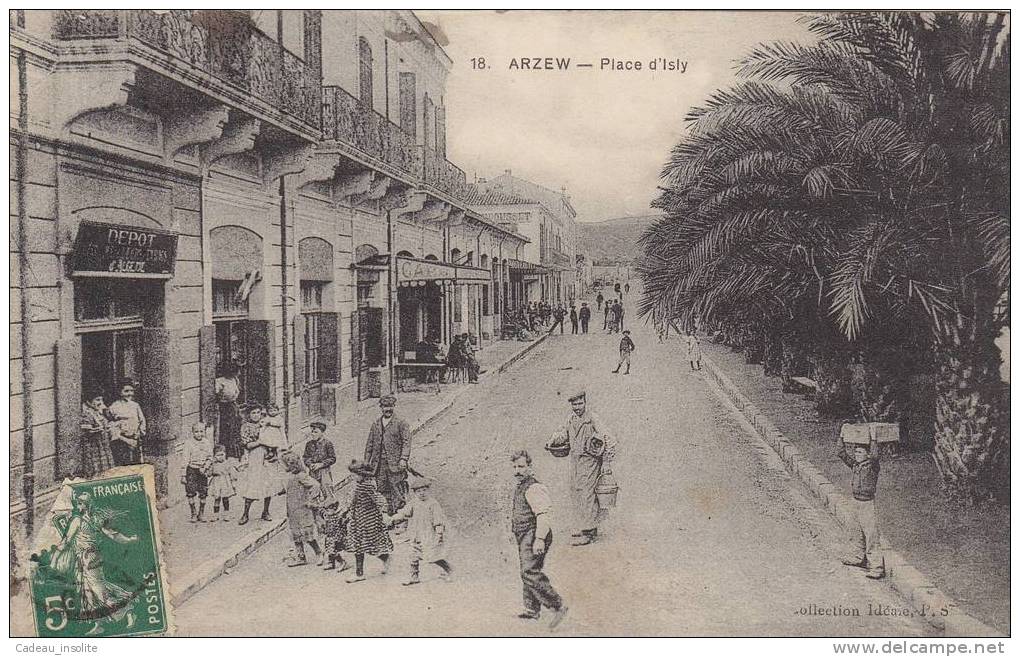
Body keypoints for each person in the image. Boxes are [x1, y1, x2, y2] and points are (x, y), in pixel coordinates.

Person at [44, 491, 138, 635]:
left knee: (99, 592)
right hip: (83, 560)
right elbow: (113, 535)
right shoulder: (92, 519)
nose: (78, 506)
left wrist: (54, 559)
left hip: (89, 559)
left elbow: (66, 541)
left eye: (80, 503)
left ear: (86, 505)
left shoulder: (79, 521)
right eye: (78, 503)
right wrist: (128, 540)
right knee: (88, 593)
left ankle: (127, 609)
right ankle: (99, 624)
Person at [546, 391, 617, 546]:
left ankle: (589, 531)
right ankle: (586, 525)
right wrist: (552, 440)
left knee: (587, 493)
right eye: (574, 404)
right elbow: (562, 434)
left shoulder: (592, 418)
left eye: (580, 404)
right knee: (577, 491)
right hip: (576, 461)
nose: (577, 407)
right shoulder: (571, 419)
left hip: (590, 460)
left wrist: (606, 461)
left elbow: (609, 438)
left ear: (585, 403)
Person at [509, 450, 568, 628]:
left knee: (528, 570)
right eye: (514, 467)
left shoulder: (534, 488)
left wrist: (539, 539)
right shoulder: (521, 486)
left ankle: (558, 605)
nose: (517, 471)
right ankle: (532, 609)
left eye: (521, 466)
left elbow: (544, 514)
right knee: (528, 569)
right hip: (524, 534)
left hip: (535, 533)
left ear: (530, 467)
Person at [389, 477, 453, 586]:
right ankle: (414, 577)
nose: (422, 493)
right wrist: (393, 518)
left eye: (424, 490)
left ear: (428, 490)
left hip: (429, 534)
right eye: (418, 491)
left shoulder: (433, 504)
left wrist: (439, 532)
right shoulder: (413, 503)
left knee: (433, 556)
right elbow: (404, 513)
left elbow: (438, 519)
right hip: (416, 533)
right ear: (415, 493)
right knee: (413, 556)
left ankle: (448, 570)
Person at [838, 434, 884, 579]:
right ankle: (858, 558)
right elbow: (840, 453)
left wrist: (873, 438)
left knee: (871, 535)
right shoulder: (855, 465)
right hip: (855, 502)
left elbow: (876, 456)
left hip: (867, 504)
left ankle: (877, 567)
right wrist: (842, 435)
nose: (857, 455)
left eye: (860, 452)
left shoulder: (872, 466)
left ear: (867, 454)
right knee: (856, 532)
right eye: (856, 452)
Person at [344, 459, 393, 583]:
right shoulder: (357, 485)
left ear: (362, 474)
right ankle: (359, 573)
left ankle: (385, 557)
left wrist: (385, 513)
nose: (352, 476)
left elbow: (379, 499)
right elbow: (351, 501)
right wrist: (345, 512)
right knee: (358, 547)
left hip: (369, 521)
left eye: (354, 474)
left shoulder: (367, 486)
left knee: (371, 545)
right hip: (357, 521)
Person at [363, 395, 412, 513]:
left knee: (396, 489)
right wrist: (366, 462)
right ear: (381, 408)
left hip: (395, 465)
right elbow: (369, 444)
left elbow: (406, 442)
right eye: (385, 407)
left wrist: (403, 459)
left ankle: (399, 517)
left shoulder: (401, 423)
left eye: (390, 406)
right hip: (379, 465)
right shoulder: (376, 424)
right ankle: (386, 516)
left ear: (394, 406)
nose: (388, 409)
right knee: (381, 489)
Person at [237, 404, 281, 525]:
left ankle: (266, 511)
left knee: (268, 484)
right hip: (254, 456)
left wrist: (274, 451)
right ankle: (245, 513)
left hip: (267, 456)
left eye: (258, 412)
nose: (256, 415)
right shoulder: (246, 427)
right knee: (253, 483)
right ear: (248, 415)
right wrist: (261, 441)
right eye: (253, 413)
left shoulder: (266, 423)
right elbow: (248, 445)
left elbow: (276, 439)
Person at [281, 452, 324, 567]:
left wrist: (310, 499)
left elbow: (316, 485)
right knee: (296, 534)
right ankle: (301, 557)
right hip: (292, 510)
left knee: (307, 534)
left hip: (303, 510)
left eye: (285, 465)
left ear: (292, 465)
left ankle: (319, 553)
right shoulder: (291, 476)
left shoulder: (301, 475)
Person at [181, 422, 214, 522]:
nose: (199, 434)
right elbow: (185, 459)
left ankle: (201, 513)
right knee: (190, 491)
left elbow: (210, 457)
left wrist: (205, 467)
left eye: (201, 431)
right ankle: (193, 513)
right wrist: (183, 475)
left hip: (203, 470)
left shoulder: (207, 443)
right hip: (191, 470)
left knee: (203, 491)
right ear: (192, 432)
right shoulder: (188, 443)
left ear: (204, 432)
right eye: (196, 432)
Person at [107, 381, 145, 466]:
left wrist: (139, 434)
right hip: (121, 441)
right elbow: (111, 424)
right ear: (120, 392)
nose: (130, 393)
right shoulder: (114, 406)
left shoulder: (135, 406)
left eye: (131, 391)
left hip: (135, 438)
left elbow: (142, 421)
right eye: (126, 391)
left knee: (136, 464)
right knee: (123, 464)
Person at [79, 392, 115, 478]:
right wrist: (96, 430)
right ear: (88, 402)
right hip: (94, 447)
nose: (100, 402)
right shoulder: (86, 414)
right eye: (97, 400)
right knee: (95, 470)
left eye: (101, 400)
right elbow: (86, 432)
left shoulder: (99, 413)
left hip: (103, 446)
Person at [215, 362, 242, 459]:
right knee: (226, 429)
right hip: (224, 408)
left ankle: (234, 452)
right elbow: (216, 395)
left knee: (234, 429)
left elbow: (236, 393)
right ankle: (225, 452)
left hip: (233, 406)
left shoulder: (235, 380)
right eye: (237, 371)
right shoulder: (220, 381)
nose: (239, 373)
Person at [207, 444, 239, 522]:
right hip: (216, 482)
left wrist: (233, 483)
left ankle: (226, 514)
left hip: (225, 482)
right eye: (218, 455)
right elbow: (209, 474)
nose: (220, 457)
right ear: (214, 456)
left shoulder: (228, 463)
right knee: (217, 499)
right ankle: (216, 515)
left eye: (222, 454)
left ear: (225, 454)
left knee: (225, 498)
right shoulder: (214, 464)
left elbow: (232, 474)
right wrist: (208, 468)